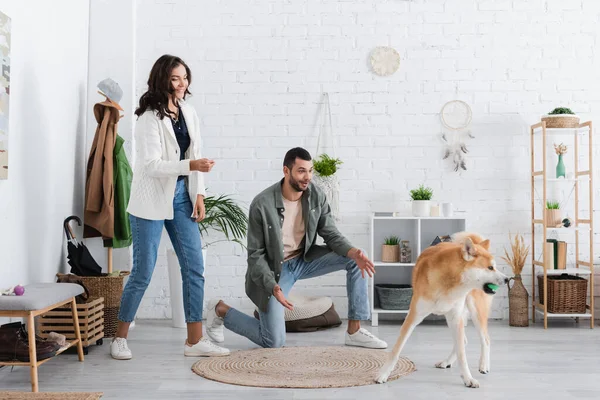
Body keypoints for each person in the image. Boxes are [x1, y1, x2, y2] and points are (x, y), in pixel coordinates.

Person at [204, 147, 387, 349]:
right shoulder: (262, 204)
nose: (307, 177)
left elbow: (330, 233)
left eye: (310, 171)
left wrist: (353, 252)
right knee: (273, 341)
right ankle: (220, 310)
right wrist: (273, 286)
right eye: (301, 171)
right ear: (286, 170)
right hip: (276, 270)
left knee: (357, 259)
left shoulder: (316, 196)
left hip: (305, 259)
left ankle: (354, 331)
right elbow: (255, 256)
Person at [110, 54, 230, 360]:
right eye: (175, 78)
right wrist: (190, 164)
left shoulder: (188, 112)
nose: (182, 84)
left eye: (185, 77)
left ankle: (194, 341)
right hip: (150, 200)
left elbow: (197, 152)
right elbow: (150, 166)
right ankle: (119, 337)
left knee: (194, 267)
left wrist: (199, 195)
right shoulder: (148, 118)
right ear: (162, 79)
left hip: (182, 197)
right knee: (143, 273)